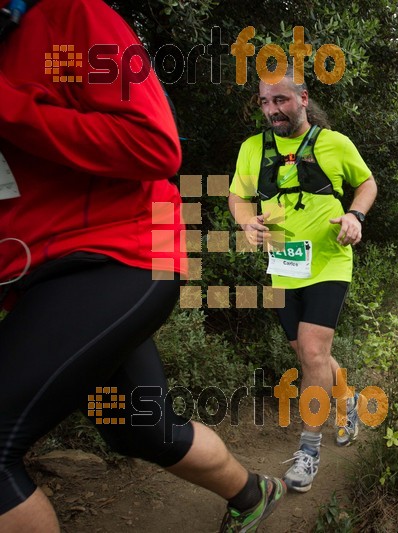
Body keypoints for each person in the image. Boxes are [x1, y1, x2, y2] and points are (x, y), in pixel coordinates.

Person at [0, 0, 284, 531]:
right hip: (45, 283)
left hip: (120, 258)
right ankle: (253, 493)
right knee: (139, 428)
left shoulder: (65, 22)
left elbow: (154, 143)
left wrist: (9, 109)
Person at [228, 73, 377, 492]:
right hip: (284, 265)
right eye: (264, 102)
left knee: (313, 350)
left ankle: (309, 451)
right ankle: (347, 400)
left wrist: (355, 215)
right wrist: (245, 222)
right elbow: (237, 196)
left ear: (303, 99)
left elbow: (366, 183)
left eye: (280, 100)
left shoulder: (335, 143)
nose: (272, 109)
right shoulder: (253, 149)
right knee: (305, 353)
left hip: (329, 262)